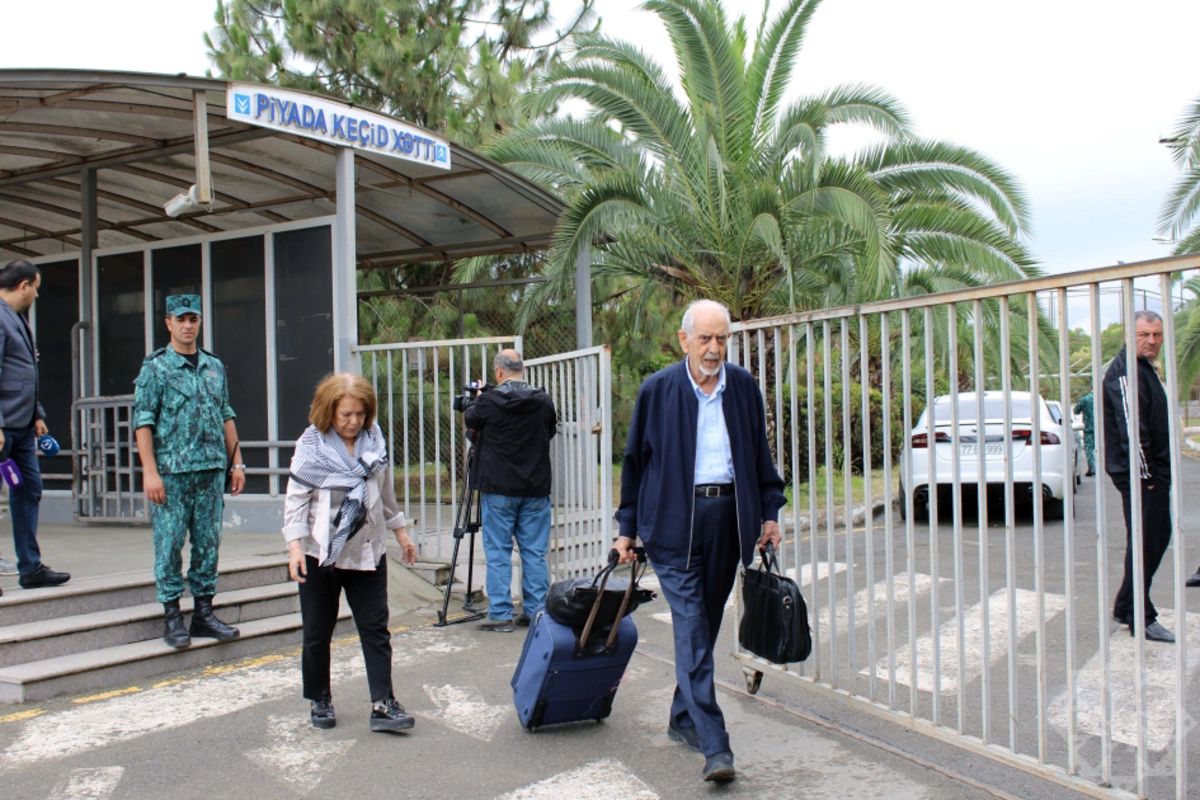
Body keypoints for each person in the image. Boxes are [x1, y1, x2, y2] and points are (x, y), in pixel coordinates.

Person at [614, 299, 785, 784]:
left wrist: (768, 513)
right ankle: (716, 745)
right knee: (691, 628)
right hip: (672, 525)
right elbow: (633, 465)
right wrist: (627, 528)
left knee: (704, 627)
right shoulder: (658, 391)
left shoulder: (744, 389)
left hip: (728, 522)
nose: (714, 349)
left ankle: (682, 717)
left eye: (722, 339)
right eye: (705, 338)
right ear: (684, 339)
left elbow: (760, 458)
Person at [282, 373, 419, 733]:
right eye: (345, 414)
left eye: (360, 413)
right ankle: (320, 698)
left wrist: (401, 533)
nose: (353, 421)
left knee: (376, 629)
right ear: (328, 411)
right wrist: (295, 547)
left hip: (368, 550)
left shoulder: (374, 441)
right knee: (317, 632)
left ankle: (383, 702)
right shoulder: (310, 446)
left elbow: (385, 492)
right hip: (320, 552)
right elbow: (296, 500)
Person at [134, 295, 243, 648]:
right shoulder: (155, 368)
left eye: (193, 319)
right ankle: (172, 618)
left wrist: (236, 462)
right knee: (168, 545)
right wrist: (149, 472)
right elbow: (143, 422)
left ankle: (203, 615)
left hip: (210, 471)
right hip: (172, 474)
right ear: (168, 322)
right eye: (181, 319)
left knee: (208, 543)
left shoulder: (214, 366)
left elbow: (226, 414)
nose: (187, 325)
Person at [463, 349, 558, 632]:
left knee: (498, 551)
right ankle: (536, 612)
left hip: (499, 487)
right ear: (523, 368)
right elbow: (550, 431)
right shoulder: (543, 401)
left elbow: (471, 422)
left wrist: (479, 398)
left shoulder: (489, 401)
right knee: (534, 552)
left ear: (498, 372)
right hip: (535, 487)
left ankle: (501, 614)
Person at [1103, 310, 1176, 642]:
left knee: (1157, 536)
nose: (1152, 341)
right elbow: (1132, 431)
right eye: (1145, 334)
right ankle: (1140, 616)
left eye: (1157, 335)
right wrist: (1148, 477)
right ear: (1129, 336)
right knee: (1145, 543)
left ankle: (1123, 604)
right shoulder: (1126, 372)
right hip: (1142, 475)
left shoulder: (1143, 369)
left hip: (1151, 473)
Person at [0, 259, 69, 593]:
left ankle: (30, 567)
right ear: (24, 284)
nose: (38, 295)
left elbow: (21, 374)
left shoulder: (17, 320)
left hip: (23, 426)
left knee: (29, 490)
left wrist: (37, 414)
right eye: (37, 288)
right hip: (2, 426)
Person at [1073, 391, 1096, 476]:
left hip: (1089, 428)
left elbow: (1076, 411)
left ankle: (1092, 467)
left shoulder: (1085, 398)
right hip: (1102, 428)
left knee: (1089, 448)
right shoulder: (1103, 397)